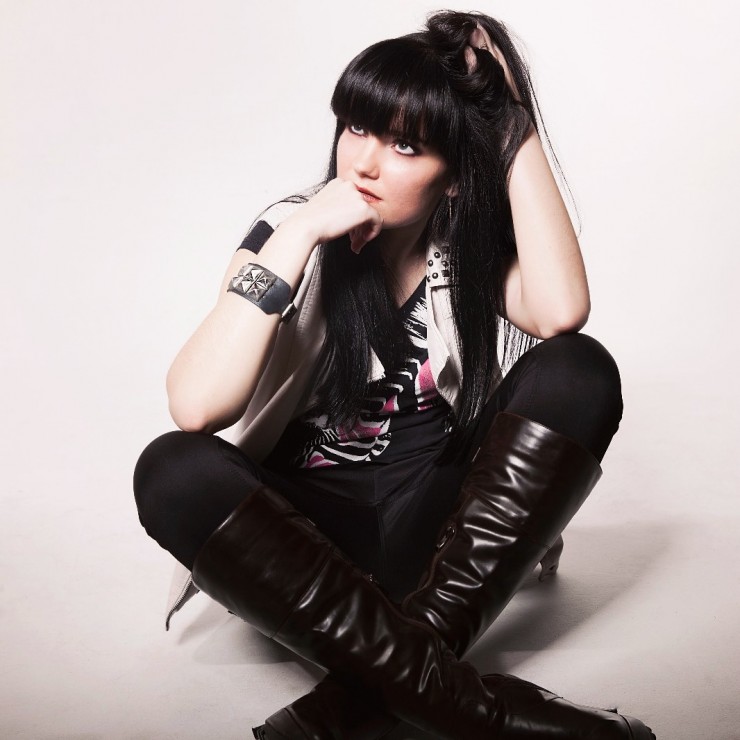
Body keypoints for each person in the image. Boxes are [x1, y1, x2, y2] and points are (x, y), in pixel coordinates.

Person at [134, 10, 656, 739]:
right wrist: (301, 231)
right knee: (171, 468)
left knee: (579, 369)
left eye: (406, 145)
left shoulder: (466, 251)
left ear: (454, 177)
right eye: (356, 128)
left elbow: (563, 312)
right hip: (299, 549)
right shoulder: (286, 234)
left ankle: (355, 702)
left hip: (434, 538)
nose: (364, 164)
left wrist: (512, 123)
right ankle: (486, 714)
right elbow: (196, 406)